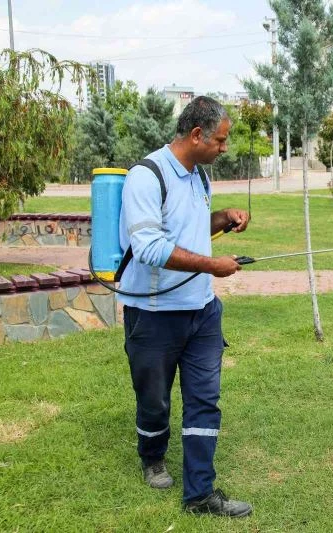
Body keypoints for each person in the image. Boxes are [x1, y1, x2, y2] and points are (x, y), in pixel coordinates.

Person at [119, 96, 253, 518]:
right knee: (154, 399)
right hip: (154, 314)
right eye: (220, 140)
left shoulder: (199, 176)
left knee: (204, 401)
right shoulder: (146, 176)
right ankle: (152, 455)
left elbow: (189, 228)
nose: (224, 147)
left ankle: (200, 494)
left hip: (203, 311)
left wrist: (221, 218)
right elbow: (149, 246)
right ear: (197, 135)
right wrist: (213, 265)